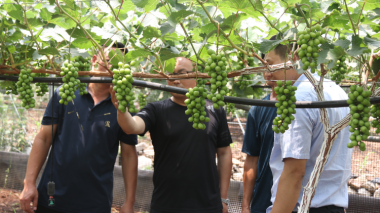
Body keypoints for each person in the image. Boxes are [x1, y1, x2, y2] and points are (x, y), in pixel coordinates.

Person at [19, 42, 138, 213]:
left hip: (95, 204)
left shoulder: (123, 108)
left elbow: (128, 155)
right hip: (52, 198)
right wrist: (29, 183)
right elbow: (44, 138)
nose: (114, 65)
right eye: (110, 59)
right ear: (94, 60)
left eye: (120, 62)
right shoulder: (65, 93)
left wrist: (130, 202)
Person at [111, 57, 233, 213]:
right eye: (170, 75)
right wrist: (121, 110)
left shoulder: (215, 109)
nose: (175, 79)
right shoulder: (156, 109)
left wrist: (223, 199)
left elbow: (224, 153)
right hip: (165, 205)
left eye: (181, 73)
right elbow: (131, 126)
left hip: (208, 206)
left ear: (197, 75)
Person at [263, 36, 352, 213]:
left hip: (303, 207)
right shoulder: (336, 89)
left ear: (293, 59)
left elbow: (295, 173)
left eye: (269, 63)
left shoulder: (298, 98)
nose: (266, 72)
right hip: (334, 206)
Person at [241, 68, 278, 212]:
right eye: (265, 67)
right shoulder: (257, 110)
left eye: (273, 65)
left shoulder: (302, 105)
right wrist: (245, 206)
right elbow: (251, 161)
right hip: (262, 203)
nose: (268, 72)